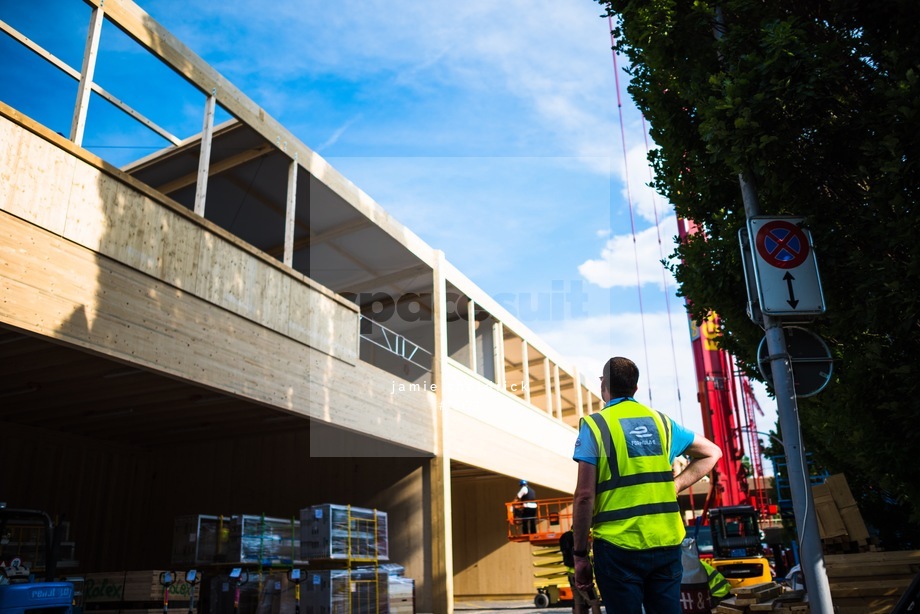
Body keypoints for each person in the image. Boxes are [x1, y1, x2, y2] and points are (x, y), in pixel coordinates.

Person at [572, 356, 722, 614]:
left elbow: (585, 496)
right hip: (666, 543)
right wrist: (676, 485)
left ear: (603, 385)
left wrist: (579, 555)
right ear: (636, 388)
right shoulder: (662, 423)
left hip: (618, 547)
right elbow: (712, 452)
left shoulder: (596, 426)